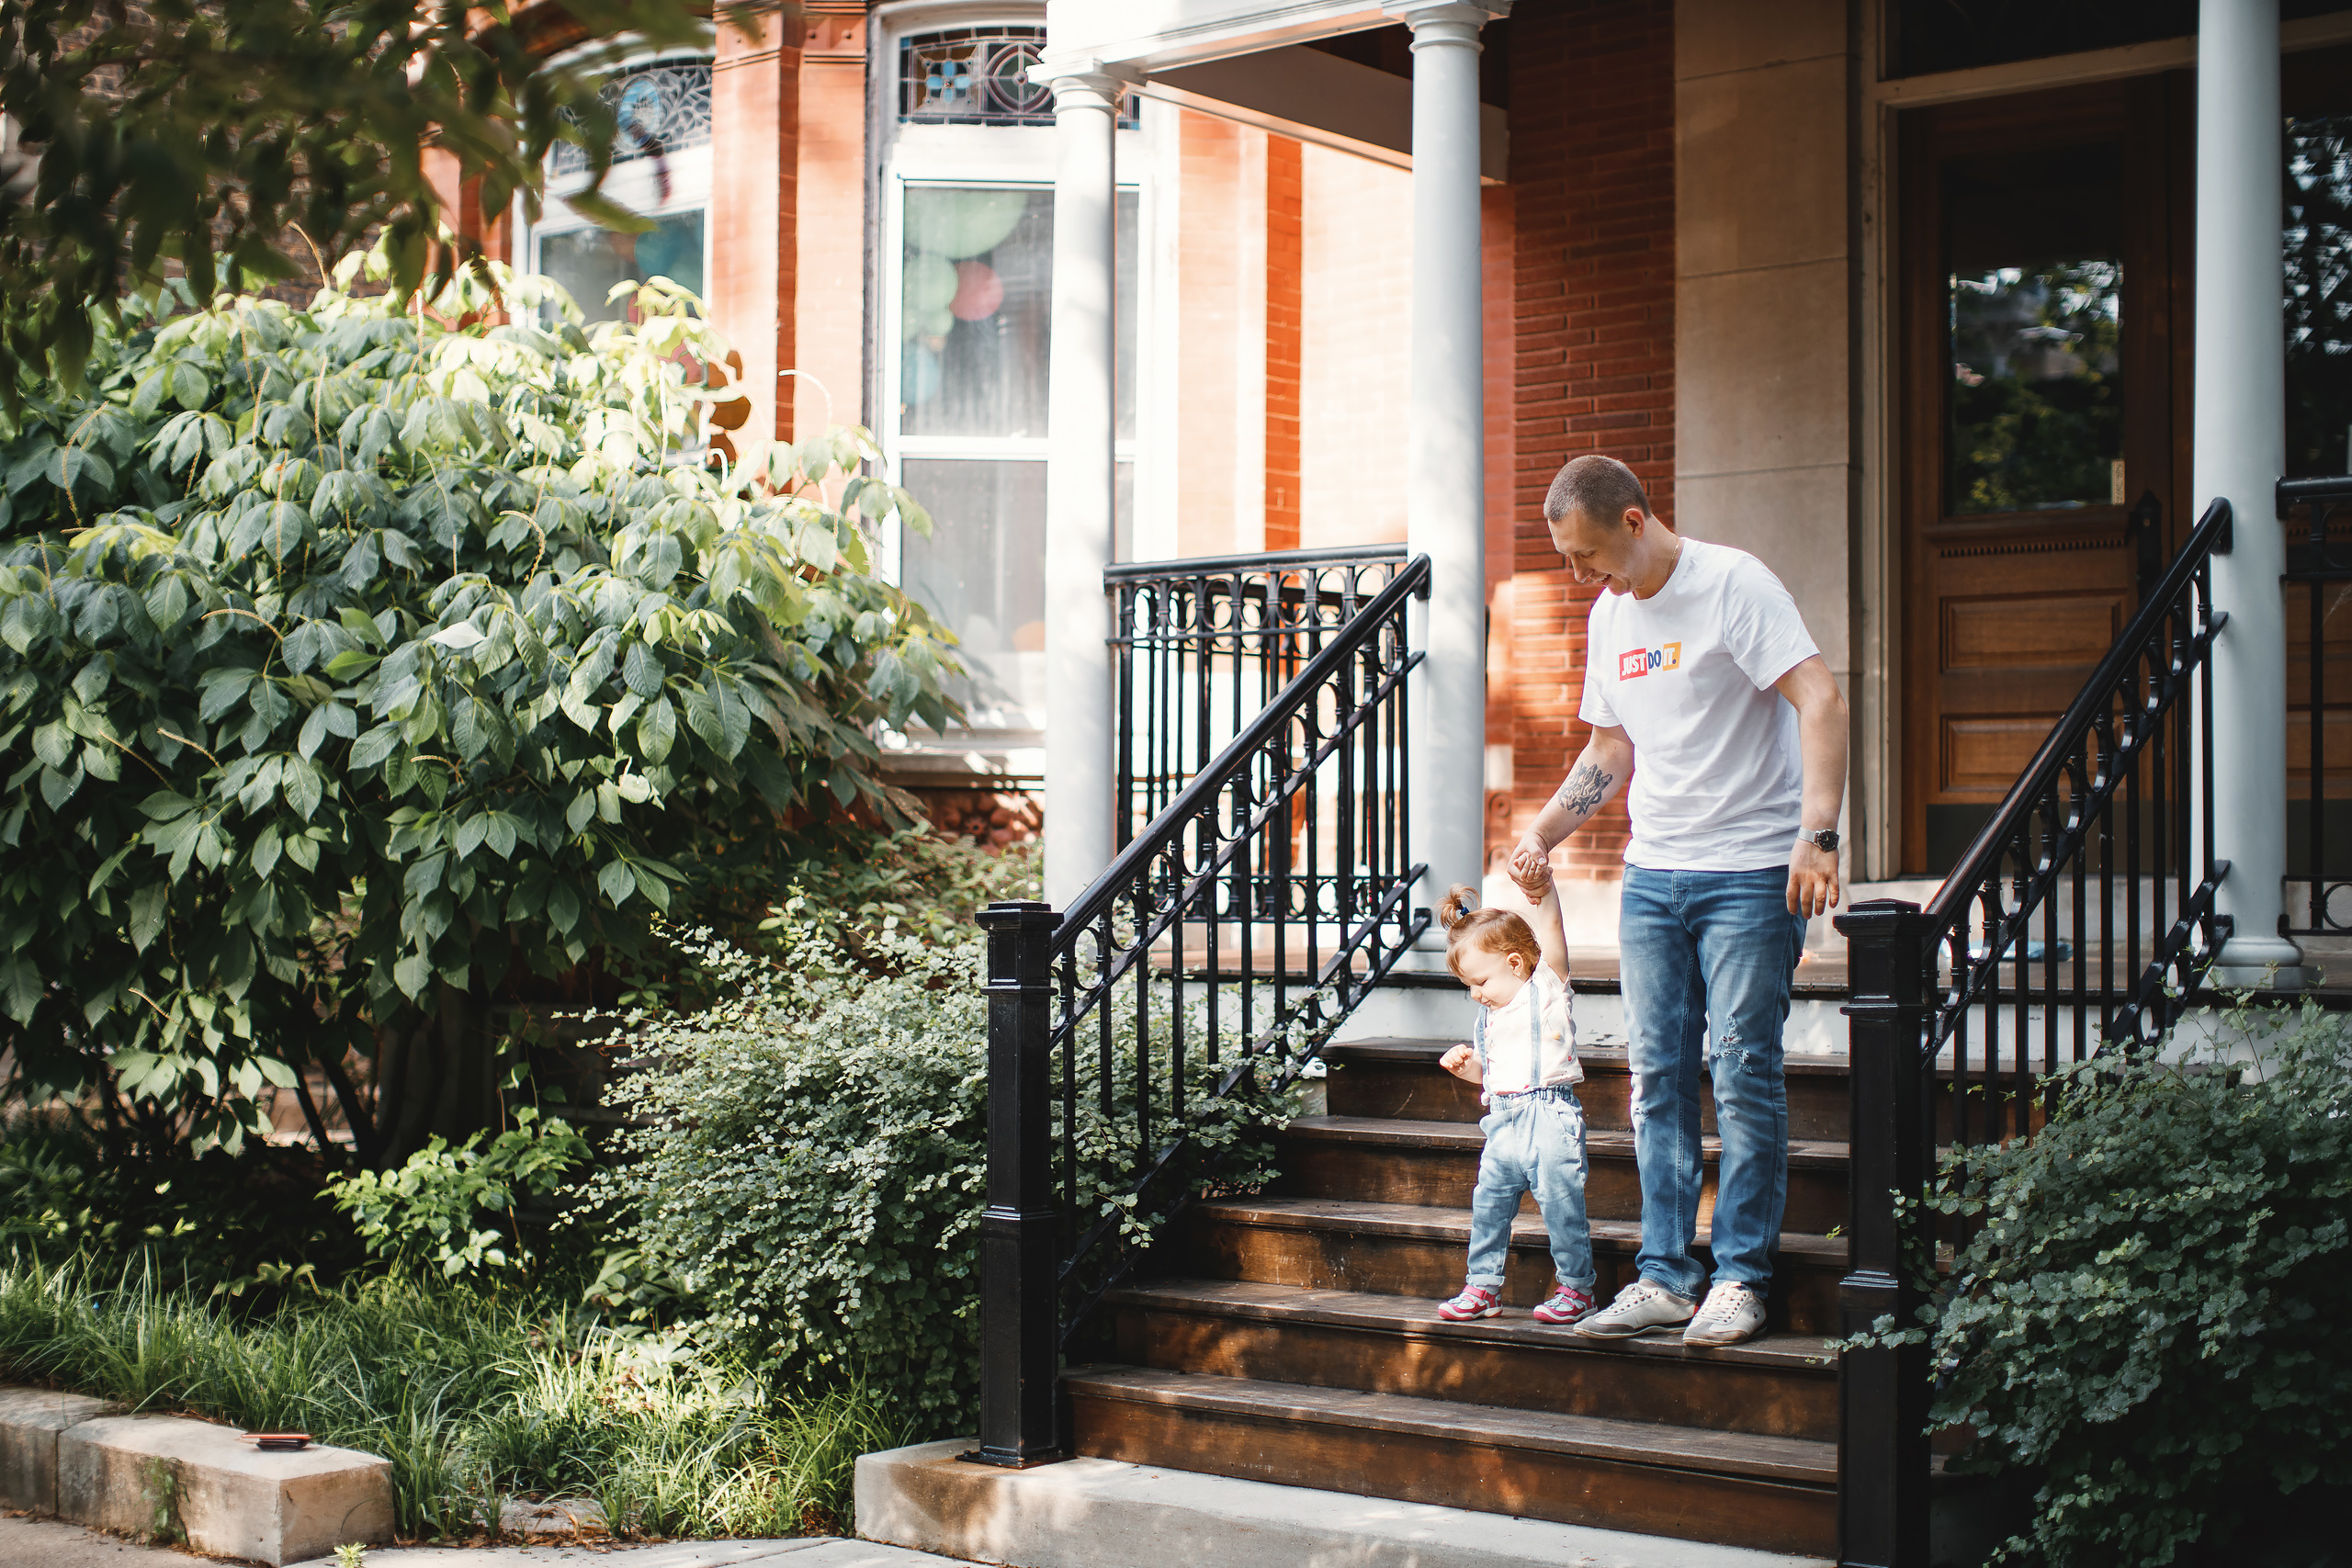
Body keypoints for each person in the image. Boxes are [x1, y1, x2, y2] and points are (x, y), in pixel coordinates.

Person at [1508, 454, 1847, 1348]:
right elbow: (1608, 751)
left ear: (1633, 520)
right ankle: (1663, 1275)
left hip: (1749, 874)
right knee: (1656, 1079)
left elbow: (1820, 698)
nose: (1580, 576)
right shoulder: (1610, 614)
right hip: (1654, 877)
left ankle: (1740, 1279)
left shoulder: (1734, 584)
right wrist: (1543, 832)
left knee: (1740, 1070)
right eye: (1567, 561)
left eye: (1587, 555)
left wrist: (1817, 835)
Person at [1430, 870, 1597, 1328]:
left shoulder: (1545, 990)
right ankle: (1482, 1287)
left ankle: (1577, 1289)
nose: (1475, 994)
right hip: (1502, 1122)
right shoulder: (1488, 1019)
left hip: (1548, 1115)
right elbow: (1489, 1074)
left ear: (1516, 963)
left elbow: (1553, 934)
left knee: (1561, 1206)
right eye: (1468, 986)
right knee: (1489, 1207)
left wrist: (1544, 892)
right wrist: (1466, 1069)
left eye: (1480, 981)